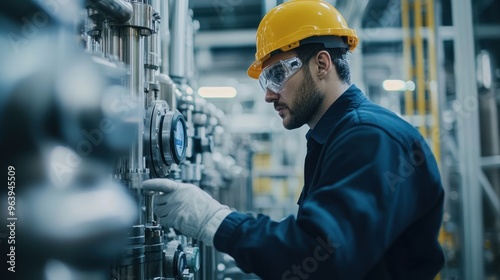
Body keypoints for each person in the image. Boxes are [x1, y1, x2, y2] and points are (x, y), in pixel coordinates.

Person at [143, 0, 445, 279]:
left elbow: (320, 257)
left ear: (321, 64)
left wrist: (214, 221)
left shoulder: (371, 138)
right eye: (266, 80)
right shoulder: (336, 137)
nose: (269, 94)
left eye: (277, 74)